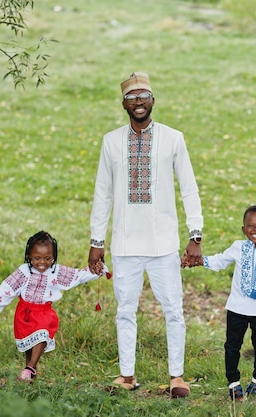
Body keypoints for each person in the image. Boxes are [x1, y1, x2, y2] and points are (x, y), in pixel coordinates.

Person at [87, 72, 203, 398]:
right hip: (125, 243)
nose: (138, 102)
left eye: (144, 96)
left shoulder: (172, 138)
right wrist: (97, 242)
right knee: (125, 310)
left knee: (173, 310)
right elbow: (102, 194)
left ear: (153, 100)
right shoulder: (111, 141)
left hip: (164, 242)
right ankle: (127, 375)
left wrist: (196, 235)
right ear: (123, 103)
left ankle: (177, 377)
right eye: (132, 97)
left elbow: (189, 189)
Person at [183, 205, 256, 401]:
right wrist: (197, 261)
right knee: (232, 346)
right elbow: (220, 261)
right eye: (251, 226)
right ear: (243, 229)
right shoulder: (237, 247)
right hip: (236, 309)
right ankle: (233, 382)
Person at [0, 231, 107, 382]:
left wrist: (97, 269)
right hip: (24, 313)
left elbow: (76, 276)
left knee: (42, 335)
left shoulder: (55, 271)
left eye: (48, 258)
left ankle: (31, 366)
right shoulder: (23, 272)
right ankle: (30, 375)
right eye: (37, 258)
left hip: (44, 313)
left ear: (53, 257)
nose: (42, 262)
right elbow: (7, 290)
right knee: (28, 345)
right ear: (29, 256)